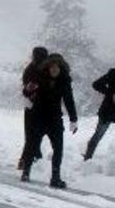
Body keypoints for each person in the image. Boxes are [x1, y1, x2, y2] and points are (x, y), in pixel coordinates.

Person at [20, 53, 77, 188]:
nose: (54, 70)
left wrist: (73, 119)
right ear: (48, 67)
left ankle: (55, 178)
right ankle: (26, 172)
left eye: (56, 67)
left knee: (58, 148)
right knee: (32, 145)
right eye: (52, 67)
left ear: (61, 68)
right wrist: (27, 90)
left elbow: (69, 100)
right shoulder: (39, 77)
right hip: (38, 116)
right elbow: (26, 93)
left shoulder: (65, 81)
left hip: (54, 118)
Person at [19, 46, 49, 166]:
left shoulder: (30, 68)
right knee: (36, 133)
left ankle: (27, 158)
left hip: (31, 105)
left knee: (30, 133)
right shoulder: (46, 69)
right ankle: (32, 156)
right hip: (43, 106)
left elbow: (26, 85)